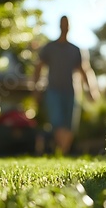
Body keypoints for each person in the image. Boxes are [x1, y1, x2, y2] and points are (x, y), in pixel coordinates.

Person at [33, 15, 100, 155]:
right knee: (57, 122)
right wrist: (36, 88)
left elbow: (84, 70)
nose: (65, 26)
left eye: (67, 24)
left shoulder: (75, 49)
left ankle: (62, 152)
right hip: (53, 90)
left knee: (69, 125)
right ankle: (61, 152)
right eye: (63, 23)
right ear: (59, 26)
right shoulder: (49, 48)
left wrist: (91, 90)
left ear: (69, 26)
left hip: (71, 91)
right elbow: (38, 67)